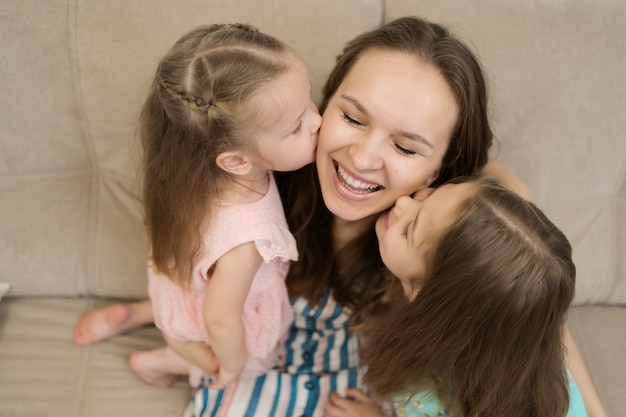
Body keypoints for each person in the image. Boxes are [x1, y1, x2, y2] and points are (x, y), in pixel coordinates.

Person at [74, 16, 606, 417]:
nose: (361, 157)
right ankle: (146, 311)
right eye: (351, 116)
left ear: (447, 167)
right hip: (238, 293)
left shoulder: (465, 223)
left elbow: (536, 322)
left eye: (406, 146)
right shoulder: (268, 157)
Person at [83, 23, 321, 390]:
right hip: (214, 322)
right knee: (244, 360)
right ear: (238, 162)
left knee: (191, 311)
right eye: (296, 126)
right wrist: (232, 366)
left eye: (309, 100)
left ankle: (139, 314)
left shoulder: (188, 173)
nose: (318, 121)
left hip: (177, 290)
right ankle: (157, 360)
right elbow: (222, 321)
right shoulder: (247, 240)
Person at [324, 177, 587, 417]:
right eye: (433, 193)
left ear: (429, 296)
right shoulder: (524, 333)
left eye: (408, 231)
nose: (403, 203)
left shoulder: (424, 398)